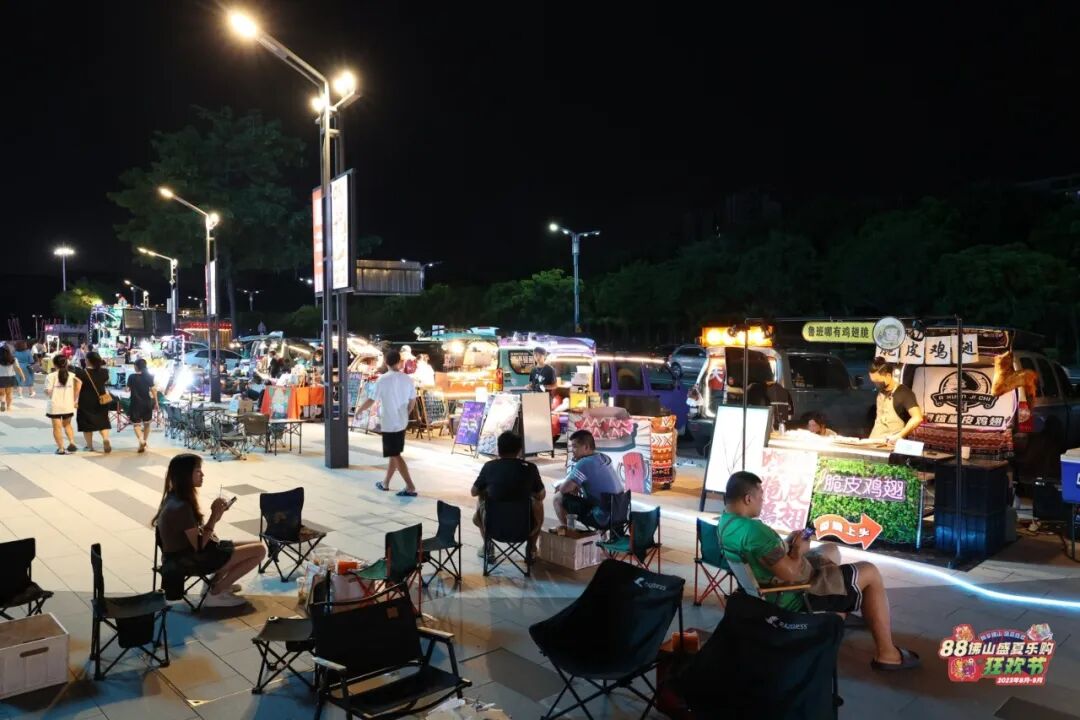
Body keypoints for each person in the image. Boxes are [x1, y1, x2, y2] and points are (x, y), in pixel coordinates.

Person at [718, 470, 920, 671]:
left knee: (829, 549)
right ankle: (887, 654)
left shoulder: (726, 523)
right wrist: (798, 550)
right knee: (870, 572)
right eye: (761, 497)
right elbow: (790, 573)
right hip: (793, 594)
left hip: (764, 589)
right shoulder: (754, 531)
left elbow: (766, 555)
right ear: (748, 499)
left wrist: (786, 544)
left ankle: (841, 601)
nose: (763, 501)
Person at [151, 453, 266, 608]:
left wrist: (216, 516)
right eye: (198, 471)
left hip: (184, 554)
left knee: (254, 544)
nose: (202, 475)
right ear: (186, 475)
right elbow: (199, 545)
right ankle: (216, 592)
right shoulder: (181, 507)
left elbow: (195, 536)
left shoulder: (174, 497)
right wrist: (213, 515)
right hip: (189, 560)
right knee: (259, 551)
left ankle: (214, 585)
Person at [354, 349, 418, 496]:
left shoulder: (382, 380)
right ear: (399, 361)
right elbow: (412, 401)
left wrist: (359, 410)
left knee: (395, 454)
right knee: (394, 453)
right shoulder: (407, 379)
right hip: (402, 422)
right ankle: (385, 483)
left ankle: (410, 486)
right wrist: (406, 413)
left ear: (386, 362)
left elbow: (372, 399)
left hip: (389, 422)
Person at [472, 431, 546, 557]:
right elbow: (541, 495)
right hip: (524, 529)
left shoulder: (489, 466)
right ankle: (531, 548)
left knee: (481, 497)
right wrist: (526, 491)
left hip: (493, 528)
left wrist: (492, 490)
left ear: (498, 449)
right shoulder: (530, 468)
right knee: (538, 503)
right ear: (519, 450)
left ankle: (488, 547)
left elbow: (474, 492)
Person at [553, 429, 624, 529]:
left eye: (575, 446)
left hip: (603, 518)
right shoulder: (604, 457)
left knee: (558, 498)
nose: (572, 450)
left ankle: (569, 530)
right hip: (620, 513)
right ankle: (600, 534)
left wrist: (561, 486)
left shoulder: (585, 463)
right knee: (573, 493)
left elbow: (564, 489)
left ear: (586, 447)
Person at [867, 357, 923, 443]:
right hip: (874, 440)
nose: (875, 384)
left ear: (888, 376)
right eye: (873, 381)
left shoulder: (904, 392)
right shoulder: (880, 392)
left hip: (891, 442)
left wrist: (900, 435)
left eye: (877, 381)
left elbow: (917, 417)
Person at [73, 351, 113, 453]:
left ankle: (89, 446)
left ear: (88, 361)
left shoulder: (81, 373)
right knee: (103, 421)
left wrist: (74, 400)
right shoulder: (105, 372)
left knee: (86, 423)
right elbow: (105, 382)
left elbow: (77, 388)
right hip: (102, 400)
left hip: (86, 401)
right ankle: (105, 439)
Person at [45, 355, 80, 454]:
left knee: (57, 427)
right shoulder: (72, 375)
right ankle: (72, 442)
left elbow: (48, 391)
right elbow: (78, 385)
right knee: (67, 425)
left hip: (55, 405)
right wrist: (74, 399)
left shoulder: (51, 376)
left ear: (54, 364)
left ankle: (61, 448)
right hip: (68, 405)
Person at [127, 357, 158, 453]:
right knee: (147, 424)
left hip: (135, 403)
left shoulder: (131, 377)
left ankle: (141, 440)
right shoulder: (149, 377)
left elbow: (127, 389)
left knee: (136, 425)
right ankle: (145, 442)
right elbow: (154, 390)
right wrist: (156, 402)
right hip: (147, 403)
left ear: (136, 367)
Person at [0, 345, 27, 412]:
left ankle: (2, 401)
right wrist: (22, 376)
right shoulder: (13, 359)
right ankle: (8, 407)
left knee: (1, 393)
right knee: (9, 393)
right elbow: (18, 368)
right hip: (10, 377)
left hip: (0, 377)